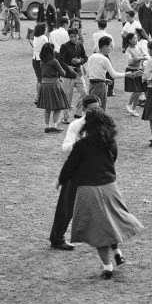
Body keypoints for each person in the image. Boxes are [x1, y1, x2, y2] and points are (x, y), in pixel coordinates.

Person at [57, 108, 142, 279]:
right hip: (110, 187)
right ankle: (117, 251)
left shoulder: (82, 144)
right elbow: (113, 159)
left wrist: (61, 179)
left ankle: (107, 267)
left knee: (98, 230)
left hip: (88, 190)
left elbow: (70, 165)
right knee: (112, 221)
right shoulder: (110, 142)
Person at [50, 94, 101, 251]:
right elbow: (65, 147)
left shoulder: (102, 125)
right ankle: (57, 238)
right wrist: (81, 144)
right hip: (76, 171)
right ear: (84, 109)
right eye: (92, 109)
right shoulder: (75, 125)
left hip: (95, 172)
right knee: (67, 206)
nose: (95, 112)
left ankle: (105, 241)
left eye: (98, 109)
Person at [85, 35, 130, 109]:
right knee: (100, 109)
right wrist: (126, 74)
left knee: (91, 107)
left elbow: (88, 74)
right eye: (109, 46)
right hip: (100, 87)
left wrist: (103, 79)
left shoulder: (92, 57)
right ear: (105, 46)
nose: (110, 49)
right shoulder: (105, 59)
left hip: (91, 86)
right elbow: (114, 75)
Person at [36, 42, 72, 133]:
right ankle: (54, 125)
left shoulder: (42, 61)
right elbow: (63, 73)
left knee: (47, 108)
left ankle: (46, 126)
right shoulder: (54, 61)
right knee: (58, 107)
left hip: (44, 85)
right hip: (53, 86)